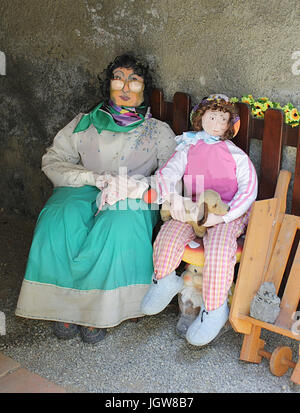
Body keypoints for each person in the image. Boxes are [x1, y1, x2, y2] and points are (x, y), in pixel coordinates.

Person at [15, 53, 176, 343]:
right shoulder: (84, 122)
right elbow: (53, 161)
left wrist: (135, 187)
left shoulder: (158, 131)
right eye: (118, 79)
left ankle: (101, 311)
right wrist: (94, 178)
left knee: (117, 224)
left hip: (133, 194)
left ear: (144, 89)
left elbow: (173, 176)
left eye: (134, 81)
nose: (125, 87)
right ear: (109, 85)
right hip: (87, 185)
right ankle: (64, 304)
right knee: (59, 217)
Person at [141, 94, 258, 346]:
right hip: (193, 207)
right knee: (169, 232)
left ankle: (214, 310)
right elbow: (169, 173)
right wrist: (166, 194)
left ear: (230, 125)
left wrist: (225, 215)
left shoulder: (235, 155)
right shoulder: (188, 147)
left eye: (223, 119)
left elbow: (249, 189)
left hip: (224, 211)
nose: (217, 123)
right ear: (200, 118)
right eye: (212, 116)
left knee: (219, 248)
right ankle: (163, 280)